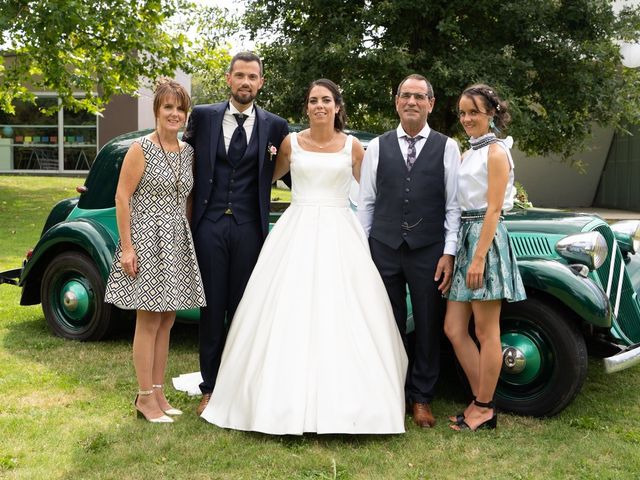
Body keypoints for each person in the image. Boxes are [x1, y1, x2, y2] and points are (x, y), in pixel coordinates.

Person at [197, 79, 408, 434]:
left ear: (338, 106)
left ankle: (351, 404)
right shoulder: (290, 143)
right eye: (313, 100)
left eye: (326, 100)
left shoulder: (354, 148)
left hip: (341, 231)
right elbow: (259, 181)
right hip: (296, 229)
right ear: (306, 107)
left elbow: (371, 196)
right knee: (285, 310)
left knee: (343, 312)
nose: (319, 106)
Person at [182, 52, 289, 416]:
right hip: (210, 225)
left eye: (253, 76)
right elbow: (183, 162)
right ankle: (210, 387)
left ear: (261, 82)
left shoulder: (276, 126)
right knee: (211, 308)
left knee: (244, 309)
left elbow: (293, 172)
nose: (246, 82)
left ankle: (240, 384)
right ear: (229, 79)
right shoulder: (204, 117)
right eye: (240, 75)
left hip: (250, 229)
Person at [357, 74, 461, 428]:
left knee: (429, 325)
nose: (412, 102)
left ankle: (421, 398)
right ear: (397, 101)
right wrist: (362, 248)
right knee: (387, 323)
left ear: (431, 103)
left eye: (419, 96)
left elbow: (453, 206)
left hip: (428, 250)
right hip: (383, 247)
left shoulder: (447, 147)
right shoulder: (378, 147)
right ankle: (391, 391)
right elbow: (366, 202)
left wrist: (448, 252)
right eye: (405, 95)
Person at [105, 79, 206, 423]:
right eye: (168, 107)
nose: (175, 113)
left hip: (177, 239)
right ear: (157, 111)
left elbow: (188, 198)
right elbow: (122, 197)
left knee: (167, 320)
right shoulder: (140, 149)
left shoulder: (188, 152)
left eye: (180, 108)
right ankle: (144, 397)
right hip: (146, 239)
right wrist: (128, 248)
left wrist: (186, 238)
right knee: (148, 321)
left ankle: (159, 392)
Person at [444, 84, 526, 431]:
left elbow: (493, 208)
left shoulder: (495, 152)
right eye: (463, 113)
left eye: (474, 112)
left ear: (491, 113)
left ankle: (483, 406)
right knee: (453, 328)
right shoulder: (468, 152)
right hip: (465, 234)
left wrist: (478, 259)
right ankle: (484, 400)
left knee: (485, 329)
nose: (467, 119)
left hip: (485, 239)